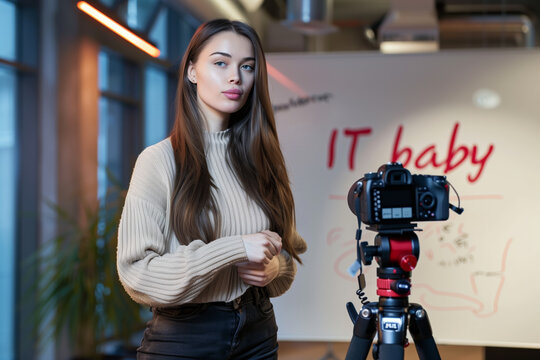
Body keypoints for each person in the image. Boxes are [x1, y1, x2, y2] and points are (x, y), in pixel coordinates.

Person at [116, 18, 307, 359]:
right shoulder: (160, 161)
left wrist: (274, 268)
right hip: (186, 338)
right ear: (192, 71)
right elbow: (137, 275)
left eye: (246, 67)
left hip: (258, 331)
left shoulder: (263, 159)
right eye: (220, 63)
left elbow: (288, 253)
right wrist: (234, 248)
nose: (235, 76)